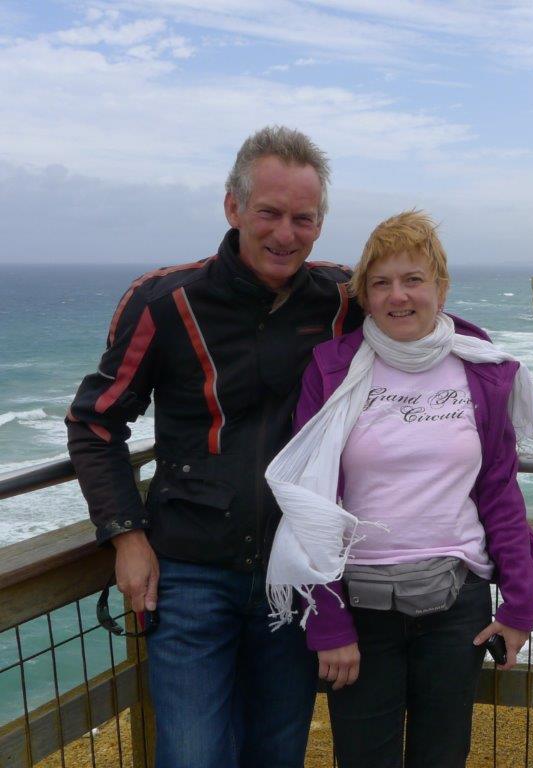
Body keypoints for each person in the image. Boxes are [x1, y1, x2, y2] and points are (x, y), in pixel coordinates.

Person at [66, 125, 363, 768]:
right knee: (192, 754)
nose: (286, 234)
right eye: (269, 213)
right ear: (233, 207)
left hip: (291, 573)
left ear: (320, 223)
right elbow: (95, 424)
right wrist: (125, 536)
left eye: (304, 219)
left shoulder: (342, 298)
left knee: (277, 752)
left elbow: (418, 316)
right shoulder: (165, 302)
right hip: (190, 573)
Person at [264, 210, 533, 768]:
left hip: (457, 607)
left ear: (440, 288)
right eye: (381, 283)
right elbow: (310, 503)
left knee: (442, 756)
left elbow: (499, 491)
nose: (397, 296)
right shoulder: (332, 370)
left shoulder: (481, 368)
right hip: (359, 609)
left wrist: (520, 605)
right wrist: (327, 621)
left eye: (413, 280)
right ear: (364, 296)